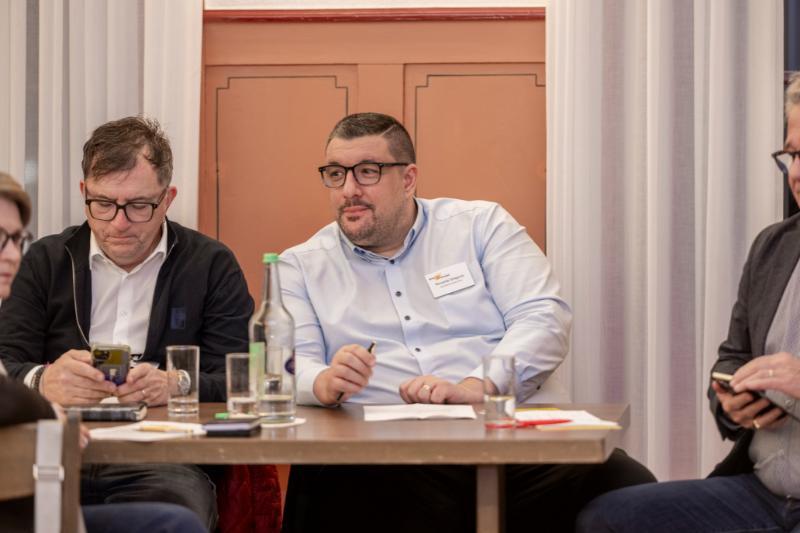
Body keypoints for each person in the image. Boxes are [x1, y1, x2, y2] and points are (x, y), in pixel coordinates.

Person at [278, 112, 655, 532]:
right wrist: (323, 381)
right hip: (386, 457)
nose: (349, 190)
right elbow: (287, 366)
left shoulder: (481, 226)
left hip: (510, 438)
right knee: (340, 489)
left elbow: (543, 316)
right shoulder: (301, 266)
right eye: (335, 174)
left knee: (627, 487)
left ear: (408, 179)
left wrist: (478, 386)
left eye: (367, 172)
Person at [0, 117, 253, 529]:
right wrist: (43, 381)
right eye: (103, 204)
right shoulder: (44, 260)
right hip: (51, 455)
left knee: (174, 519)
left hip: (162, 460)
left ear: (167, 199)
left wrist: (176, 383)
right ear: (83, 192)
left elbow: (240, 375)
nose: (118, 223)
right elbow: (5, 360)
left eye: (138, 206)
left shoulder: (210, 264)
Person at [575, 75, 800, 532]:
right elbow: (732, 357)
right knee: (607, 519)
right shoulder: (773, 247)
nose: (796, 172)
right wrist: (732, 402)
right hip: (763, 492)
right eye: (793, 154)